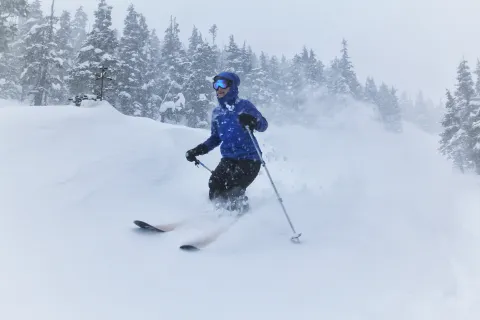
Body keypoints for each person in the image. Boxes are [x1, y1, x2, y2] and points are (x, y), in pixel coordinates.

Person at [185, 71, 268, 212]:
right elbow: (215, 138)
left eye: (222, 84)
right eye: (215, 85)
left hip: (250, 159)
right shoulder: (217, 113)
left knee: (234, 188)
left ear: (232, 86)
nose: (219, 88)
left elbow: (263, 125)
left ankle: (241, 214)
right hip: (229, 159)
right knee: (215, 184)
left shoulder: (244, 106)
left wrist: (253, 121)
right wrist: (198, 150)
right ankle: (219, 215)